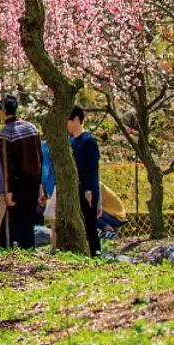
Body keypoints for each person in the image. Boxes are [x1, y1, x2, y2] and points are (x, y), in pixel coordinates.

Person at [0, 95, 43, 250]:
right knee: (29, 219)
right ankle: (30, 248)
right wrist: (40, 183)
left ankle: (23, 250)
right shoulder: (32, 128)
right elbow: (40, 156)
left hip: (17, 182)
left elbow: (7, 165)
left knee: (18, 221)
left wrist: (8, 190)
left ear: (2, 111)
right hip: (34, 179)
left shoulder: (5, 133)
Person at [69, 106, 102, 256]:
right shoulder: (71, 141)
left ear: (76, 119)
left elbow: (93, 168)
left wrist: (89, 190)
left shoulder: (88, 141)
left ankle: (95, 253)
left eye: (68, 120)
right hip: (76, 189)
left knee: (90, 225)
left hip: (87, 190)